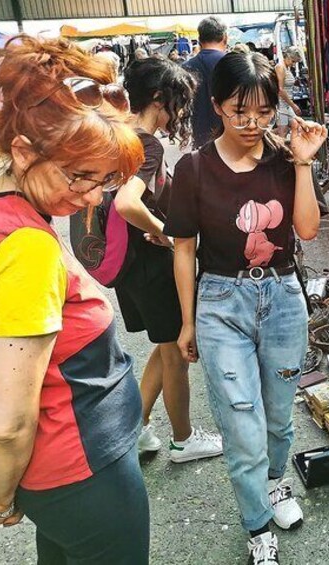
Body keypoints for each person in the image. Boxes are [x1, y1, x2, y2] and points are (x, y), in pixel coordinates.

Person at [0, 35, 149, 563]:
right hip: (80, 471)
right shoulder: (25, 248)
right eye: (79, 177)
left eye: (106, 181)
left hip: (67, 472)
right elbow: (6, 421)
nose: (92, 197)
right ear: (22, 152)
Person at [165, 51, 326, 565]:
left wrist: (303, 163)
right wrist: (188, 320)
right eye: (240, 111)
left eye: (263, 111)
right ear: (216, 107)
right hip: (221, 304)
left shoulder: (283, 158)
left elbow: (306, 230)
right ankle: (257, 525)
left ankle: (275, 485)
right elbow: (184, 248)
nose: (252, 123)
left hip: (280, 298)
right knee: (241, 423)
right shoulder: (193, 168)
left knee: (279, 418)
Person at [117, 57, 223, 462]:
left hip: (126, 264)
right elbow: (128, 202)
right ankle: (184, 439)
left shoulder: (116, 132)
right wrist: (167, 233)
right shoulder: (146, 142)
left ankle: (137, 428)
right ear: (159, 97)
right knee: (177, 353)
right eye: (177, 102)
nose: (178, 113)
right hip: (150, 260)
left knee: (164, 348)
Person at [183, 16, 228, 148]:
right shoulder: (234, 64)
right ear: (225, 37)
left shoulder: (186, 67)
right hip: (232, 135)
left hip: (200, 136)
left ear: (199, 40)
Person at [274, 47, 303, 137]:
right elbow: (280, 89)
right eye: (293, 61)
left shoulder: (286, 68)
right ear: (288, 57)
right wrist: (293, 105)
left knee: (295, 126)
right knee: (283, 131)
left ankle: (265, 136)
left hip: (286, 105)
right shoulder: (280, 67)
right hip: (281, 106)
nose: (294, 64)